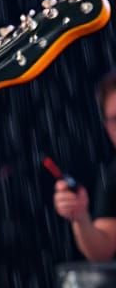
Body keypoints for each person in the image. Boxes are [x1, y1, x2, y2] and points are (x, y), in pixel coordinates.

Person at [53, 70, 116, 261]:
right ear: (107, 127)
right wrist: (80, 217)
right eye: (115, 120)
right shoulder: (112, 176)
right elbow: (102, 251)